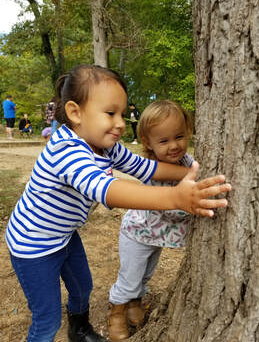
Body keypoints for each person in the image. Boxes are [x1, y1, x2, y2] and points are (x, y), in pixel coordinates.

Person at [5, 65, 231, 342]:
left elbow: (144, 167)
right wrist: (175, 197)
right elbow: (108, 189)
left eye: (122, 114)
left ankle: (80, 329)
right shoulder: (66, 151)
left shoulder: (105, 144)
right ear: (76, 112)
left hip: (64, 235)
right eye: (110, 113)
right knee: (47, 318)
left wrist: (192, 176)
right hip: (33, 245)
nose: (121, 123)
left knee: (82, 288)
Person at [108, 100, 196, 341]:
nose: (174, 146)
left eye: (179, 136)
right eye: (164, 141)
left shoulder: (188, 163)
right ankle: (116, 311)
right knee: (130, 276)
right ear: (148, 143)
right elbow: (171, 208)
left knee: (146, 273)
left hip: (156, 236)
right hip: (137, 233)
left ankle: (135, 302)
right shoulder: (151, 167)